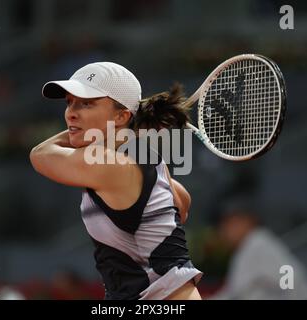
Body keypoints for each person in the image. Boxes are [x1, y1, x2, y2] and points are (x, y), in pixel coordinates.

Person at [30, 62, 202, 300]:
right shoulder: (150, 161)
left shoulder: (106, 163)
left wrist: (119, 129)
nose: (71, 112)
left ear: (121, 115)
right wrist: (125, 127)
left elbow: (40, 155)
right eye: (69, 102)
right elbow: (181, 207)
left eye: (86, 103)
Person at [208, 202, 307, 300]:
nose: (224, 231)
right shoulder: (252, 244)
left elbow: (294, 279)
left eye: (230, 224)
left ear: (247, 221)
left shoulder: (257, 243)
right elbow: (232, 292)